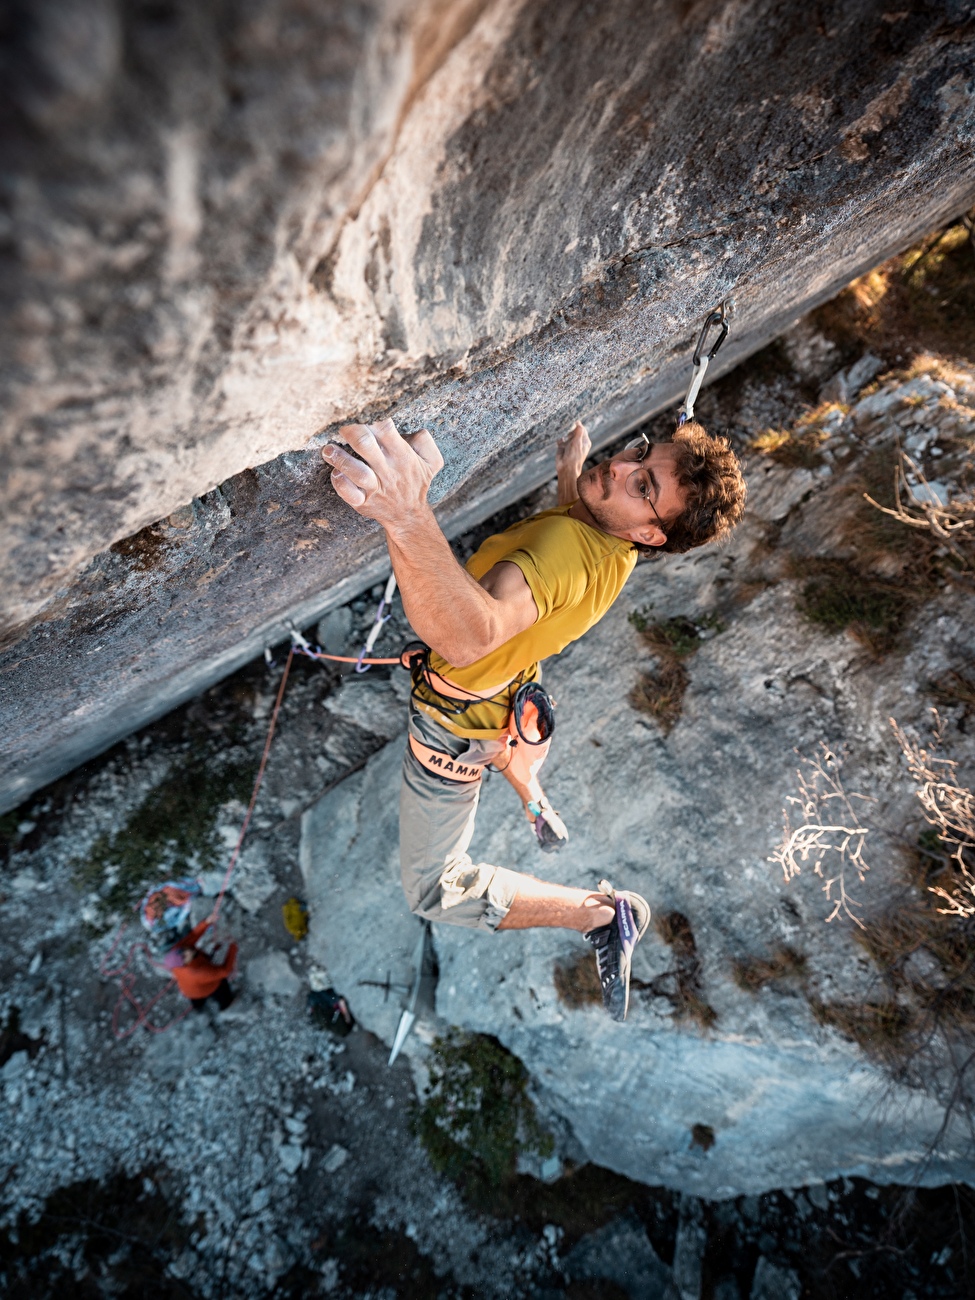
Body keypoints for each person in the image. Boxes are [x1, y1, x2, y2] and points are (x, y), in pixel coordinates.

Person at [321, 415, 745, 1021]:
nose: (620, 469)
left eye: (645, 487)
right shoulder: (614, 541)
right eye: (640, 453)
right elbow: (575, 530)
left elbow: (471, 635)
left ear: (653, 536)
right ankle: (527, 782)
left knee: (434, 890)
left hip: (458, 724)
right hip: (508, 698)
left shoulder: (571, 553)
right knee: (507, 752)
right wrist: (574, 474)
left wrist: (406, 511)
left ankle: (598, 914)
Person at [165, 918, 238, 1012]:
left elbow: (193, 936)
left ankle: (198, 1007)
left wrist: (206, 923)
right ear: (185, 964)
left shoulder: (177, 951)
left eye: (182, 951)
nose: (187, 951)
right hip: (205, 988)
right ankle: (226, 1005)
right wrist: (233, 947)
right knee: (221, 985)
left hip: (189, 990)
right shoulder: (197, 972)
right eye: (184, 957)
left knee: (197, 1000)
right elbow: (225, 971)